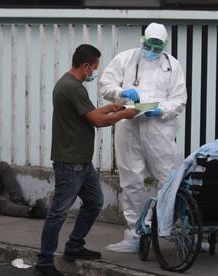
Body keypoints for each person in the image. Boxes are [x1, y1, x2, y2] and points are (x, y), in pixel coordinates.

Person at [34, 44, 139, 276]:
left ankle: (74, 246)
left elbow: (90, 113)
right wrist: (124, 114)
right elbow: (97, 122)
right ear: (85, 66)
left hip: (81, 160)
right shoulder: (73, 88)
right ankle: (44, 261)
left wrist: (112, 106)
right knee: (59, 212)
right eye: (94, 68)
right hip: (70, 162)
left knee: (93, 202)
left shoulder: (70, 84)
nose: (94, 73)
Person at [99, 22, 187, 252]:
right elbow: (105, 85)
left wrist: (162, 110)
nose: (153, 50)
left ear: (164, 46)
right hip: (128, 124)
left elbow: (179, 99)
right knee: (131, 178)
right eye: (150, 45)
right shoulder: (125, 59)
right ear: (143, 41)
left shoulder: (172, 65)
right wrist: (121, 93)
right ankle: (136, 233)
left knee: (169, 178)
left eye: (158, 46)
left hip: (159, 127)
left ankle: (174, 228)